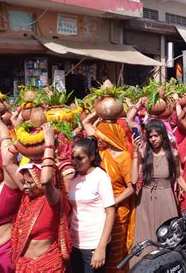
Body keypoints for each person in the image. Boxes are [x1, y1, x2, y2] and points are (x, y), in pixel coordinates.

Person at [130, 119, 186, 264]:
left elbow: (178, 177)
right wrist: (135, 154)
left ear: (163, 135)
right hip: (145, 200)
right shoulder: (144, 153)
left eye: (156, 136)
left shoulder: (173, 154)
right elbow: (133, 180)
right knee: (145, 236)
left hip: (166, 198)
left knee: (168, 237)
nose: (153, 139)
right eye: (150, 136)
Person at [0, 122, 71, 272]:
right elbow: (7, 162)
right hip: (24, 263)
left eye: (29, 183)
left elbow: (46, 181)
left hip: (47, 263)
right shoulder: (29, 195)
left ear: (38, 179)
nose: (24, 186)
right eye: (23, 182)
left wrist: (49, 145)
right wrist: (20, 142)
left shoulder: (53, 198)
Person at [82, 114, 136, 273]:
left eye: (101, 136)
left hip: (118, 209)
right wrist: (100, 110)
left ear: (109, 137)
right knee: (100, 247)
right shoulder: (100, 154)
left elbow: (132, 187)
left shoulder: (124, 157)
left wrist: (112, 203)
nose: (97, 139)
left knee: (115, 252)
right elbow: (85, 123)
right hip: (99, 210)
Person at [69, 137, 116, 272]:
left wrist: (101, 248)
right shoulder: (73, 178)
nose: (75, 162)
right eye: (73, 157)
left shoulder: (101, 178)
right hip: (75, 243)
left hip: (94, 243)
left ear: (91, 157)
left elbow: (110, 212)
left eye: (80, 158)